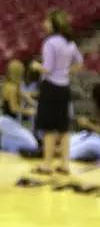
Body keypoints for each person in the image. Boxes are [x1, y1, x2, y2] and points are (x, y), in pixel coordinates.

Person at [32, 9, 83, 175]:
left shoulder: (50, 43)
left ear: (53, 24)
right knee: (63, 128)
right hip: (64, 88)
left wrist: (35, 66)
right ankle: (64, 165)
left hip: (51, 88)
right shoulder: (70, 42)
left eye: (46, 21)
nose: (43, 24)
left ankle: (47, 165)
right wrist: (67, 71)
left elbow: (47, 68)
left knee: (48, 128)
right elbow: (80, 63)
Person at [0, 60, 39, 152]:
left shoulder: (8, 85)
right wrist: (28, 111)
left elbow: (24, 95)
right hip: (9, 122)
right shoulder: (13, 88)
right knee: (32, 144)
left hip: (5, 121)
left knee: (10, 145)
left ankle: (6, 147)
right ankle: (7, 145)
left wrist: (32, 98)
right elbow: (14, 108)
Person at [69, 83, 100, 161]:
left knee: (89, 145)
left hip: (96, 142)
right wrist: (90, 121)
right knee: (79, 136)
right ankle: (54, 150)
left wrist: (88, 124)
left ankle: (62, 153)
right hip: (94, 137)